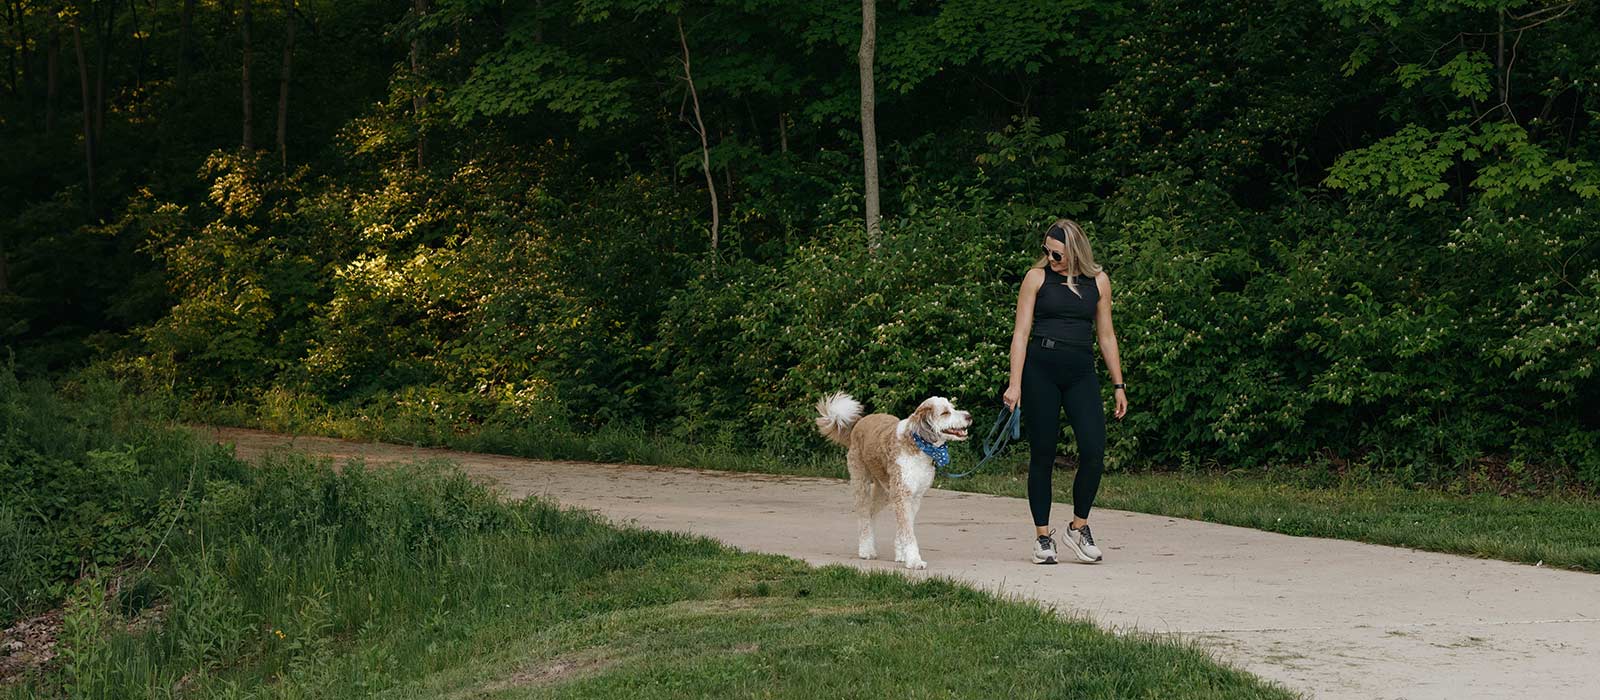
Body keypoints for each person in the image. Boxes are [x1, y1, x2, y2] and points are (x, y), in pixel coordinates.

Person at [1001, 219, 1127, 564]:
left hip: (1080, 372)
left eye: (1055, 253)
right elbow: (1021, 333)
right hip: (1040, 370)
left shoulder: (1098, 282)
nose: (1049, 257)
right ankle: (1043, 538)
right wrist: (1015, 384)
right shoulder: (1036, 278)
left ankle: (1078, 526)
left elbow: (1107, 335)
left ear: (1074, 251)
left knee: (1093, 450)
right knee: (1042, 452)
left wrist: (1119, 384)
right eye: (1045, 251)